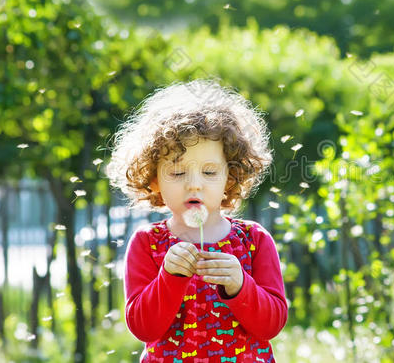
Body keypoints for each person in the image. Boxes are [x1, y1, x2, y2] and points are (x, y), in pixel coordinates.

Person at [106, 80, 287, 362]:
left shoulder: (254, 240)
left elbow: (272, 325)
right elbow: (143, 328)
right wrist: (169, 277)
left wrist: (241, 285)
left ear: (231, 177)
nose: (194, 185)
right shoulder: (148, 244)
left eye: (210, 172)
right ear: (154, 180)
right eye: (178, 173)